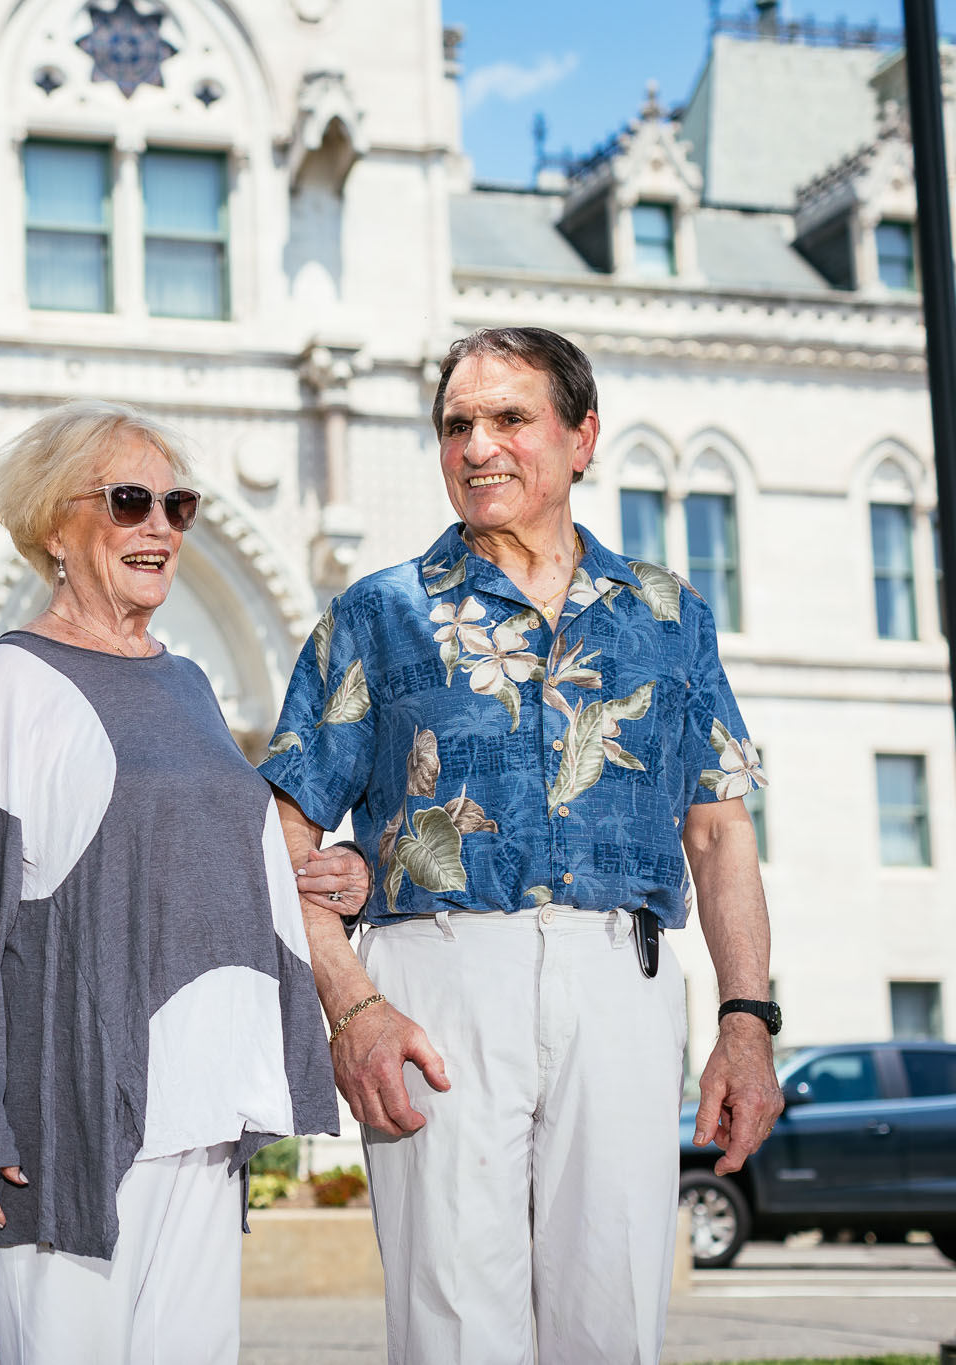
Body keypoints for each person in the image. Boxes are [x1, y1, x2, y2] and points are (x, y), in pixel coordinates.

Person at [260, 326, 784, 1364]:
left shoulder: (668, 617)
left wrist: (744, 1023)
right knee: (453, 1326)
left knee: (612, 1313)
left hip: (620, 979)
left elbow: (719, 831)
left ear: (580, 439)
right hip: (434, 986)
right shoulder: (377, 614)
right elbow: (280, 833)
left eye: (508, 419)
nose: (476, 446)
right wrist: (351, 1008)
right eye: (456, 425)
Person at [0, 399, 369, 1364]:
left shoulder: (191, 681)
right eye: (129, 501)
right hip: (81, 1110)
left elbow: (221, 864)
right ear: (54, 522)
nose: (159, 526)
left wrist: (331, 879)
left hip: (207, 1102)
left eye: (178, 505)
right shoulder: (11, 678)